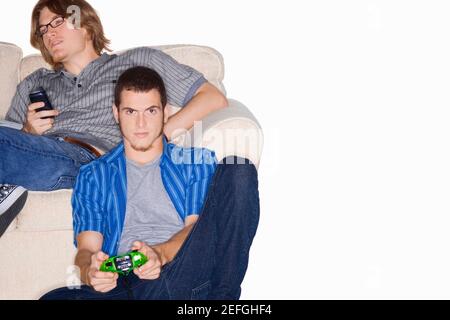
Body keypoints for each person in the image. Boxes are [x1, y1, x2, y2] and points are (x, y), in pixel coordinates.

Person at [0, 0, 228, 237]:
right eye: (43, 29)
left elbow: (212, 98)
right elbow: (11, 139)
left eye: (57, 21)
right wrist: (27, 130)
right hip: (41, 154)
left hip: (94, 159)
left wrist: (159, 136)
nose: (49, 33)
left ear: (86, 24)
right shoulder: (34, 83)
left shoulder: (137, 62)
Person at [40, 66, 259, 300]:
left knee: (239, 170)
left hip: (183, 272)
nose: (141, 123)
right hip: (125, 282)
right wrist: (90, 271)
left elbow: (195, 229)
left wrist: (159, 254)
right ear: (116, 113)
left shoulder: (195, 162)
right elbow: (87, 250)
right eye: (131, 112)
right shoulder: (93, 175)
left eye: (151, 111)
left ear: (165, 113)